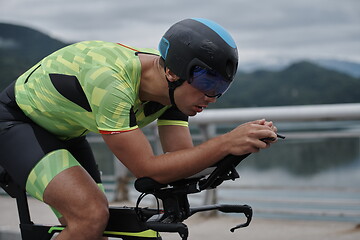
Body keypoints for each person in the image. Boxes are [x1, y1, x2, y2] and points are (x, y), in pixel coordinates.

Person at [0, 18, 278, 240]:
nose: (212, 97)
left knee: (92, 230)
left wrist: (239, 148)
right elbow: (148, 170)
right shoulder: (112, 83)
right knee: (90, 216)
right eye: (207, 84)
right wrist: (226, 142)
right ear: (172, 72)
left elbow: (181, 160)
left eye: (221, 88)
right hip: (17, 121)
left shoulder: (175, 92)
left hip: (67, 131)